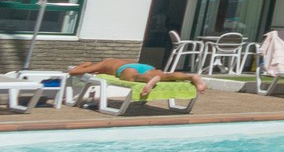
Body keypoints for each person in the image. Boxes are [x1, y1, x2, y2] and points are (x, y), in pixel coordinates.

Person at [69, 58, 205, 91]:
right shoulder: (121, 60)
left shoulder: (105, 63)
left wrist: (85, 65)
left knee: (132, 76)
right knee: (166, 75)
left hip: (126, 69)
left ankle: (148, 79)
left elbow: (73, 72)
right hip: (145, 66)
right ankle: (190, 76)